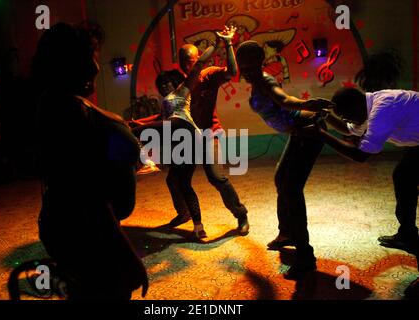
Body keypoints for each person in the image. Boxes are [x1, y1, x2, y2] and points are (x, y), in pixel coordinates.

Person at [32, 22, 148, 299]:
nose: (96, 67)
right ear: (65, 65)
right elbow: (89, 195)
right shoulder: (69, 112)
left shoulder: (60, 102)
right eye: (89, 57)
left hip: (73, 227)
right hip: (89, 233)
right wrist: (126, 254)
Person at [236, 40, 334, 279]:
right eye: (243, 67)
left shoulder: (266, 80)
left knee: (291, 189)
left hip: (307, 128)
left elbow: (284, 100)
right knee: (282, 178)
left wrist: (307, 103)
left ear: (260, 62)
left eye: (251, 67)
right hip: (296, 129)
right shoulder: (258, 81)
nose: (246, 72)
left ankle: (305, 255)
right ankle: (287, 233)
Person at [301, 87, 419, 251]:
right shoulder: (366, 107)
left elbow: (361, 155)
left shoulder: (383, 108)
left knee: (404, 177)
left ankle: (408, 235)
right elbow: (348, 129)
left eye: (346, 115)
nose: (345, 119)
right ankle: (408, 234)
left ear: (356, 105)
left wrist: (321, 134)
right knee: (403, 177)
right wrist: (325, 115)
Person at [173, 26, 250, 235]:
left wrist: (228, 43)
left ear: (198, 58)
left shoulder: (209, 75)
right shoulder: (181, 84)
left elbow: (233, 73)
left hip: (209, 134)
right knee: (175, 179)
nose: (188, 66)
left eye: (191, 61)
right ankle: (184, 213)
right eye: (184, 63)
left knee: (216, 177)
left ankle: (241, 213)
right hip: (188, 137)